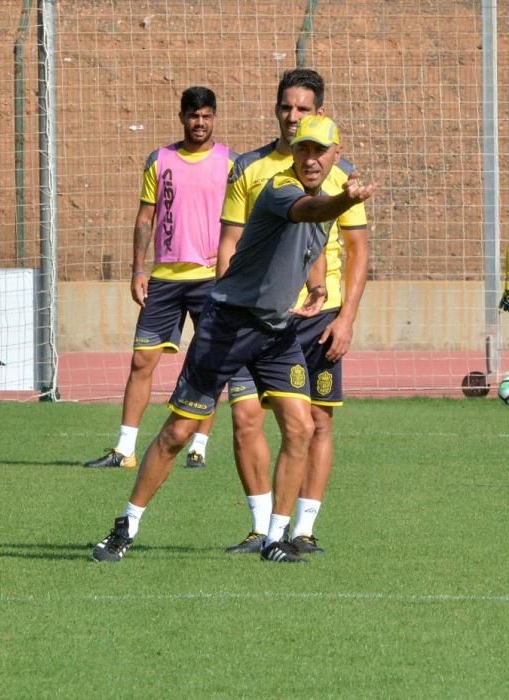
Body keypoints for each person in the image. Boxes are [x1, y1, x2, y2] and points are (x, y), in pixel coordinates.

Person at [91, 114, 376, 564]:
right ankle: (126, 524)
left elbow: (314, 240)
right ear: (293, 151)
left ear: (336, 154)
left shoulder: (325, 194)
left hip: (275, 329)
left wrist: (317, 284)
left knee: (301, 426)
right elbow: (312, 213)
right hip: (227, 324)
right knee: (177, 433)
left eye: (320, 150)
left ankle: (275, 539)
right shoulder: (282, 189)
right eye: (303, 148)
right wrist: (343, 200)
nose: (311, 158)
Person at [218, 69, 369, 555]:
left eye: (303, 109)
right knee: (245, 419)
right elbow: (229, 244)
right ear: (275, 108)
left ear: (318, 115)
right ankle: (262, 529)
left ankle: (301, 530)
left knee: (316, 424)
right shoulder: (249, 167)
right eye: (286, 106)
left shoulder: (340, 178)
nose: (292, 116)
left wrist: (345, 318)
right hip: (254, 318)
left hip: (321, 320)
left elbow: (358, 251)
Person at [84, 86, 238, 470]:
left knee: (209, 363)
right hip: (165, 279)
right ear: (182, 117)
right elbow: (144, 219)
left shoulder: (232, 163)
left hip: (211, 280)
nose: (199, 122)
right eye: (193, 115)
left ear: (214, 117)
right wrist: (138, 270)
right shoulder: (160, 160)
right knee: (141, 362)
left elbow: (241, 224)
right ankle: (124, 450)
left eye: (206, 115)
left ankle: (198, 446)